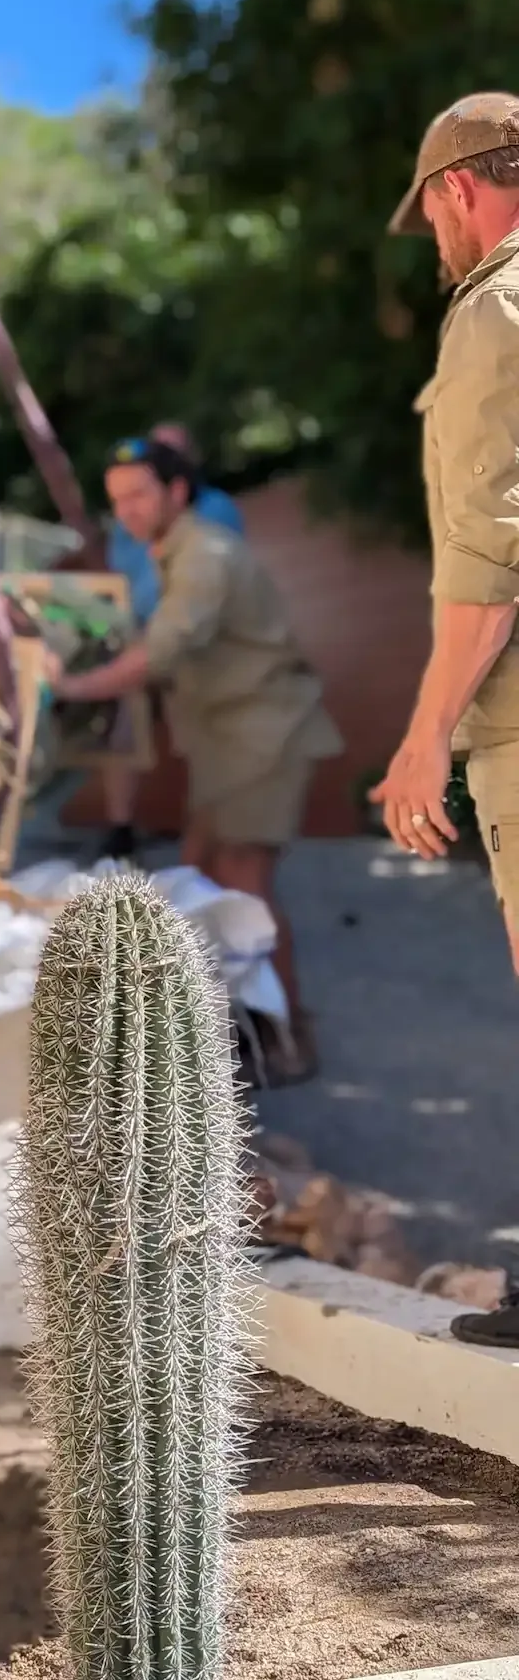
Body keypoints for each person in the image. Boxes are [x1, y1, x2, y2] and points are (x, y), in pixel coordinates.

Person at [49, 437, 343, 1081]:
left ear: (177, 492)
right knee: (198, 875)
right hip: (225, 739)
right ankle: (220, 1030)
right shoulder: (171, 553)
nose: (125, 510)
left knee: (243, 886)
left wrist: (68, 687)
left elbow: (161, 650)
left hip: (258, 736)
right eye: (117, 500)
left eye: (139, 495)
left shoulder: (205, 553)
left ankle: (287, 1035)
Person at [373, 92, 519, 1347]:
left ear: (456, 190)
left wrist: (426, 740)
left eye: (427, 214)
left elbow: (489, 570)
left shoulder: (494, 315)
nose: (430, 239)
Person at [98, 425, 245, 861]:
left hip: (203, 642)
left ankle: (214, 836)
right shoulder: (130, 521)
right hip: (146, 635)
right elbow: (121, 583)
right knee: (121, 713)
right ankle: (119, 830)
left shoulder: (213, 513)